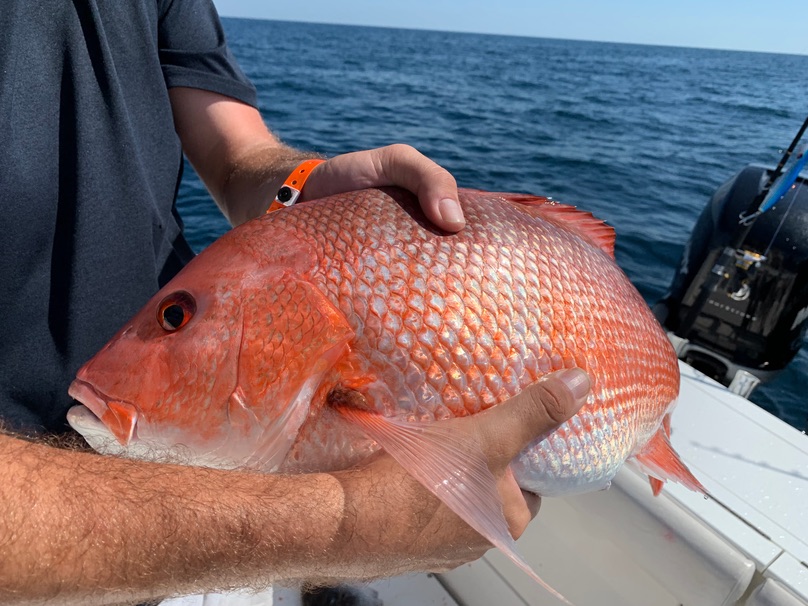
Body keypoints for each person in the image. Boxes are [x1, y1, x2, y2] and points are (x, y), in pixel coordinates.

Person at [0, 2, 591, 604]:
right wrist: (337, 524)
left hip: (205, 474)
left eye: (176, 319)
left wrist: (301, 184)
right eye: (176, 319)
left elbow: (238, 156)